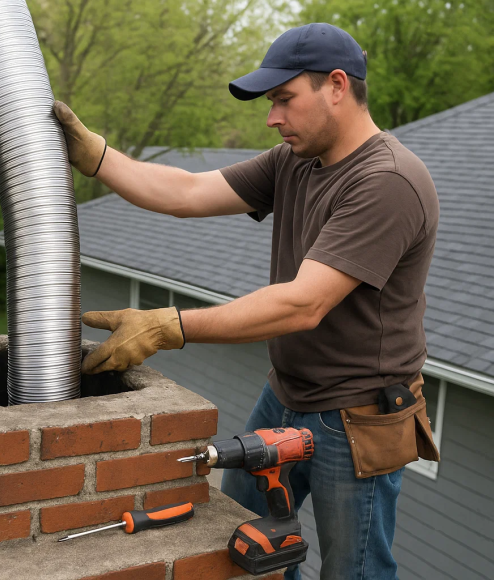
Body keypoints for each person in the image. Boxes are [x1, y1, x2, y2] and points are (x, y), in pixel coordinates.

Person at [54, 23, 439, 580]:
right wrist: (97, 156)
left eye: (284, 99)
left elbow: (302, 304)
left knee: (353, 571)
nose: (272, 117)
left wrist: (168, 326)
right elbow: (187, 193)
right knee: (239, 543)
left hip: (358, 419)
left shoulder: (388, 181)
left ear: (337, 85)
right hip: (285, 395)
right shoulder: (296, 161)